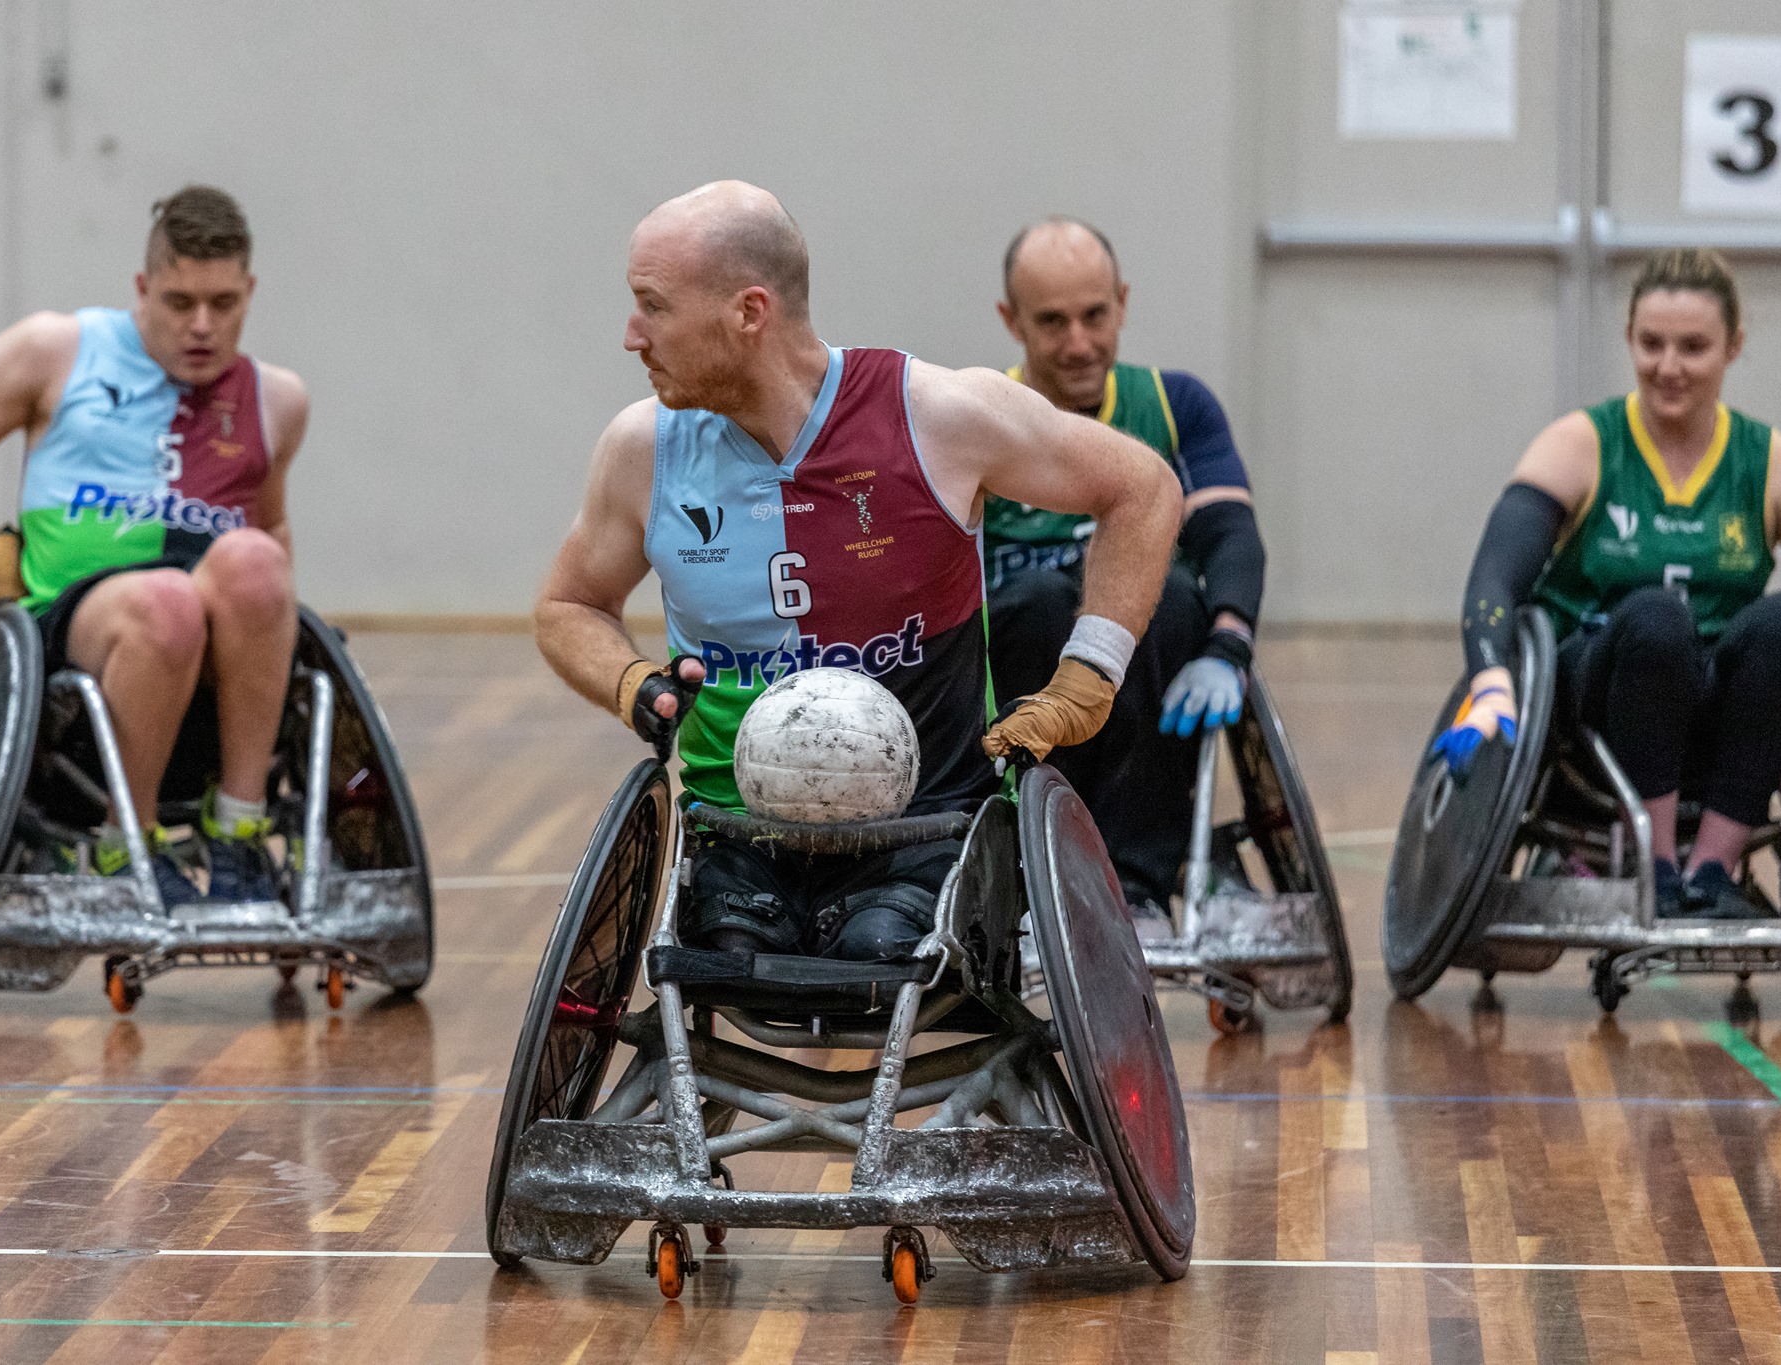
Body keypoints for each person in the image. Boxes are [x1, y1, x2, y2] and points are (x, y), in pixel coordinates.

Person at [536, 182, 1182, 961]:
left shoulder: (933, 415)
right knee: (729, 952)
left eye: (654, 305)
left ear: (749, 312)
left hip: (927, 829)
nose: (632, 334)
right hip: (736, 837)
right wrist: (633, 682)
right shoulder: (643, 450)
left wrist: (1088, 676)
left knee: (881, 952)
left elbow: (1142, 487)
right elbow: (569, 604)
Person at [0, 185, 309, 905]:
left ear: (250, 292)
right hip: (78, 622)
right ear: (142, 289)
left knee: (258, 563)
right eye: (180, 303)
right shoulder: (55, 351)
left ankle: (239, 829)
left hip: (211, 625)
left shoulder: (278, 399)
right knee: (166, 601)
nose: (203, 326)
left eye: (224, 303)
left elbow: (268, 526)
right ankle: (125, 843)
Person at [1437, 248, 1781, 918]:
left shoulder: (1771, 461)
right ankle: (1655, 868)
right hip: (1596, 704)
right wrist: (1489, 676)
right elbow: (1496, 573)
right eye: (1651, 344)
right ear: (1629, 341)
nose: (1669, 366)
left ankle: (1711, 873)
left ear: (1733, 347)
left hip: (1716, 708)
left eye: (1693, 347)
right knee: (1660, 621)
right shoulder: (1582, 443)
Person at [986, 216, 1265, 919]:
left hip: (1150, 667)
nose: (1078, 343)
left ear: (1123, 302)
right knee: (1047, 597)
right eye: (1052, 322)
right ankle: (1038, 873)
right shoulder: (982, 416)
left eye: (1094, 315)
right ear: (1010, 320)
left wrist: (1229, 645)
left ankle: (1136, 884)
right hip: (1018, 669)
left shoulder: (1176, 404)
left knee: (1167, 593)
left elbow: (1230, 531)